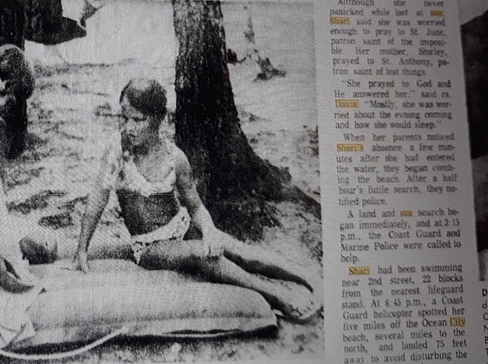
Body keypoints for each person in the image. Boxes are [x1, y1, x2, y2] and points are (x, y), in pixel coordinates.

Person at [74, 78, 320, 321]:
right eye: (124, 118)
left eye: (139, 120)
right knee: (202, 255)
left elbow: (195, 206)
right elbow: (98, 198)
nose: (130, 127)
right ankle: (276, 295)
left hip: (183, 227)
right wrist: (82, 249)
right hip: (150, 247)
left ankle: (307, 278)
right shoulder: (118, 153)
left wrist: (210, 231)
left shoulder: (175, 157)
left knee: (239, 251)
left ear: (159, 119)